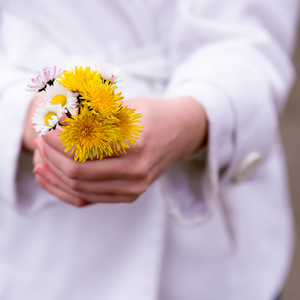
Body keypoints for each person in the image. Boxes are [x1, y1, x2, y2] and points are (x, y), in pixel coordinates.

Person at [0, 0, 299, 299]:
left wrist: (193, 120)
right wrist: (24, 114)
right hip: (34, 256)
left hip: (211, 262)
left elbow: (251, 37)